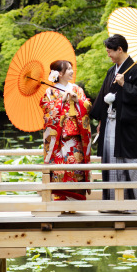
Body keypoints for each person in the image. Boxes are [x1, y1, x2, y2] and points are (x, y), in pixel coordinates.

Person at [89, 34, 137, 205]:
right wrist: (101, 121)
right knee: (110, 159)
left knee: (129, 160)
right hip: (110, 123)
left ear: (120, 50)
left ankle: (134, 205)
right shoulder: (112, 71)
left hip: (126, 125)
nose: (108, 55)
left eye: (110, 52)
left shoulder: (136, 70)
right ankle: (112, 203)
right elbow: (103, 96)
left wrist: (125, 85)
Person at [39, 60, 92, 201]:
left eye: (71, 68)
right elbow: (46, 110)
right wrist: (60, 101)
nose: (71, 71)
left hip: (77, 138)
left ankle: (76, 202)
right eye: (68, 69)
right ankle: (60, 200)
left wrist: (78, 101)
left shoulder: (77, 89)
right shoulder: (50, 91)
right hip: (59, 140)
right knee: (60, 169)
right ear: (60, 73)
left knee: (77, 168)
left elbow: (87, 106)